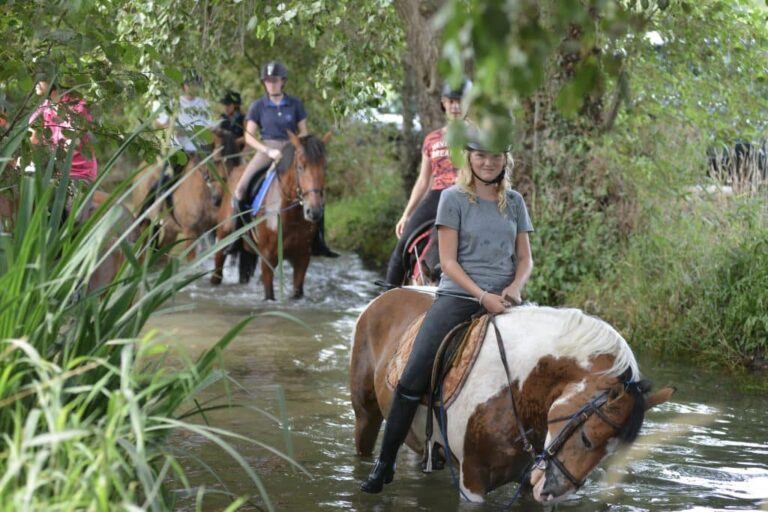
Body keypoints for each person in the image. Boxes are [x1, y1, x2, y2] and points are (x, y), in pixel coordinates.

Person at [360, 127, 534, 494]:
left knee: (539, 373)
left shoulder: (515, 201)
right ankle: (385, 463)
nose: (489, 162)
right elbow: (449, 262)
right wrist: (482, 296)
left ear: (506, 160)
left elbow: (525, 258)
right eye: (481, 156)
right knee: (412, 377)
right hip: (460, 297)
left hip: (507, 299)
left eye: (496, 157)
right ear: (469, 158)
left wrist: (514, 289)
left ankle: (535, 464)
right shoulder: (452, 199)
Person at [234, 60, 338, 257]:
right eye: (268, 81)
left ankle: (318, 241)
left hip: (293, 149)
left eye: (275, 80)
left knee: (315, 192)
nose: (272, 84)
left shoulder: (296, 104)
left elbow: (304, 132)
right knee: (240, 189)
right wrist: (267, 150)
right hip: (268, 149)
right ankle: (240, 238)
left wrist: (302, 149)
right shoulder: (258, 106)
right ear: (264, 83)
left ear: (283, 82)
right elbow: (249, 136)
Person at [383, 78, 472, 286]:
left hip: (466, 195)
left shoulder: (477, 136)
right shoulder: (432, 139)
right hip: (437, 195)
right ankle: (386, 297)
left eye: (460, 101)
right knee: (402, 245)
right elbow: (423, 180)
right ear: (443, 103)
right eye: (451, 101)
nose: (455, 106)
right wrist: (406, 214)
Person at [28, 79, 98, 221]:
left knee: (72, 222)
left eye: (40, 77)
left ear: (54, 78)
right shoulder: (44, 108)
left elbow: (74, 142)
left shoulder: (78, 107)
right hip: (54, 173)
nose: (34, 81)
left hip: (77, 174)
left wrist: (48, 160)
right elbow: (31, 138)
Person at [153, 74, 213, 175]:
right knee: (168, 177)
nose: (192, 87)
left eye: (195, 84)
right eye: (189, 84)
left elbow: (210, 127)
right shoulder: (174, 103)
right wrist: (172, 128)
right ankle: (160, 190)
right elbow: (157, 123)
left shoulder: (205, 104)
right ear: (184, 86)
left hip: (201, 150)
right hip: (180, 149)